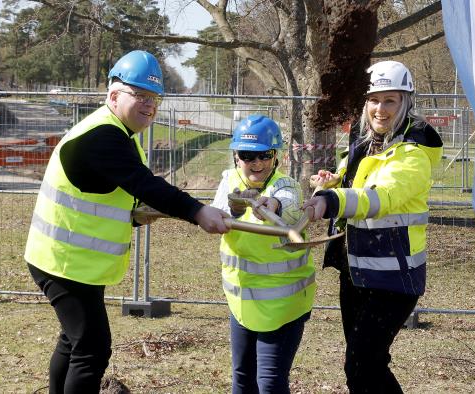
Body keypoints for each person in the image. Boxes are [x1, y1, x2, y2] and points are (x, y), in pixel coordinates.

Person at [23, 49, 230, 393]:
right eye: (141, 95)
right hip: (63, 262)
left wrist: (135, 215)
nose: (149, 105)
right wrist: (197, 211)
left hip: (74, 261)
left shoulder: (119, 134)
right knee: (91, 349)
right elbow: (145, 183)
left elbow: (107, 192)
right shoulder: (102, 136)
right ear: (114, 95)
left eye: (154, 98)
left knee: (73, 341)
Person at [304, 60, 443, 393]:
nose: (380, 109)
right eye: (374, 100)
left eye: (390, 100)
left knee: (362, 363)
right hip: (354, 271)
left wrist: (332, 201)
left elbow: (382, 196)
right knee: (363, 365)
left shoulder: (413, 152)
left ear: (405, 102)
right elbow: (355, 179)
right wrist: (332, 181)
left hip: (393, 280)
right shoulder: (365, 143)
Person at [211, 114, 315, 394]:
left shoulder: (286, 185)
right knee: (242, 378)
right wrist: (234, 207)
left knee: (269, 382)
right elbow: (219, 210)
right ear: (236, 156)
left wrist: (274, 205)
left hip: (284, 305)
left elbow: (291, 206)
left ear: (275, 156)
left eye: (264, 155)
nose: (256, 164)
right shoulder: (229, 181)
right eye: (247, 155)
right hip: (243, 303)